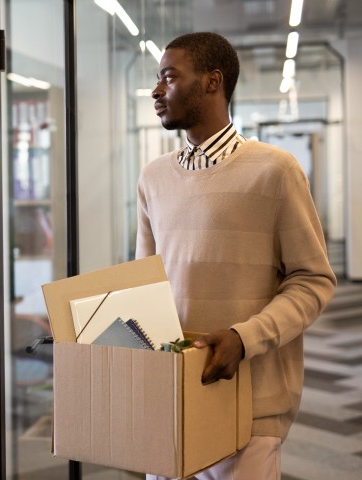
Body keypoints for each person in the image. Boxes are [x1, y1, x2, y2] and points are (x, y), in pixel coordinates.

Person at [137, 32, 336, 480]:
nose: (156, 90)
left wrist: (245, 338)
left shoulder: (275, 171)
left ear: (212, 81)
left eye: (169, 77)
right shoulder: (153, 178)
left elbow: (313, 280)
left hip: (250, 404)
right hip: (171, 396)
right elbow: (145, 286)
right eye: (156, 79)